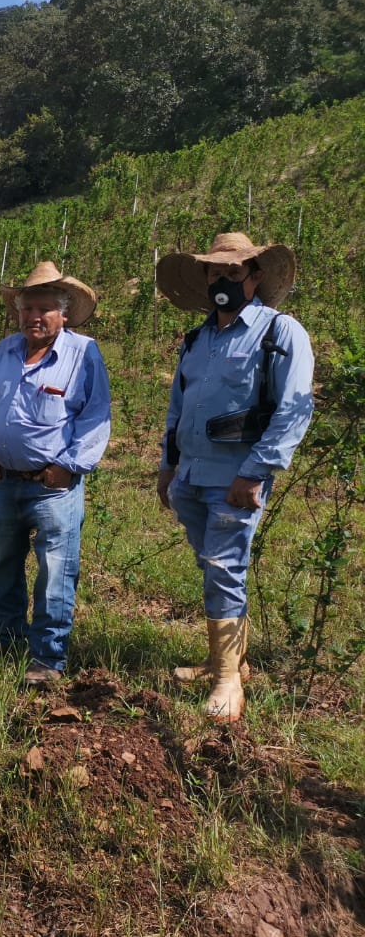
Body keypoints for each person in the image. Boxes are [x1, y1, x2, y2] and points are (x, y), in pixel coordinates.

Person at [156, 232, 313, 722]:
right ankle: (227, 661)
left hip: (236, 476)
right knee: (215, 568)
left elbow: (293, 411)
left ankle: (227, 681)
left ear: (255, 276)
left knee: (225, 569)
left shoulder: (279, 334)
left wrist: (255, 472)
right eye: (215, 272)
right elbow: (178, 407)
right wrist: (168, 465)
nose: (224, 279)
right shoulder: (197, 339)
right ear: (204, 277)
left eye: (234, 271)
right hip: (192, 475)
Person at [0, 262, 112, 686]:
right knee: (3, 563)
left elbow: (96, 417)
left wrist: (69, 466)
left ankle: (47, 659)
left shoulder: (83, 353)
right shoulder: (4, 352)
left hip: (53, 487)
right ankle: (8, 638)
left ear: (64, 313)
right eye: (27, 308)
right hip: (3, 482)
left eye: (44, 309)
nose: (34, 317)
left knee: (56, 570)